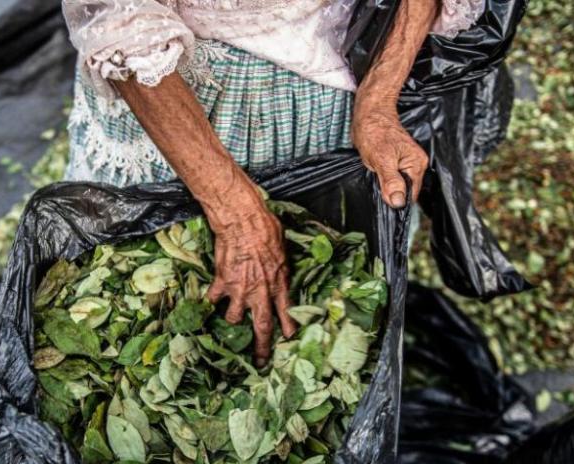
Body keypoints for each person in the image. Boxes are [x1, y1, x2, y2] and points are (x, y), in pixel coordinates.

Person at [62, 0, 483, 364]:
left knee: (328, 306)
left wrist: (378, 100)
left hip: (338, 95)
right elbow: (117, 15)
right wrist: (234, 212)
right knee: (152, 303)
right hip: (186, 106)